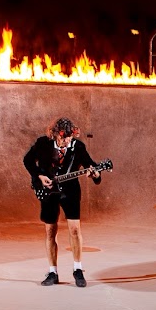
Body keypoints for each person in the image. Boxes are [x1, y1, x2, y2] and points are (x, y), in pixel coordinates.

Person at [23, 116, 103, 288]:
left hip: (70, 192)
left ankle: (78, 269)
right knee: (50, 231)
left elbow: (92, 166)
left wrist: (95, 174)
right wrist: (39, 175)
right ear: (54, 135)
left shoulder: (78, 147)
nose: (66, 142)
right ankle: (53, 272)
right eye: (62, 138)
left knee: (75, 230)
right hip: (48, 192)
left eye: (69, 138)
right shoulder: (43, 143)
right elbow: (27, 160)